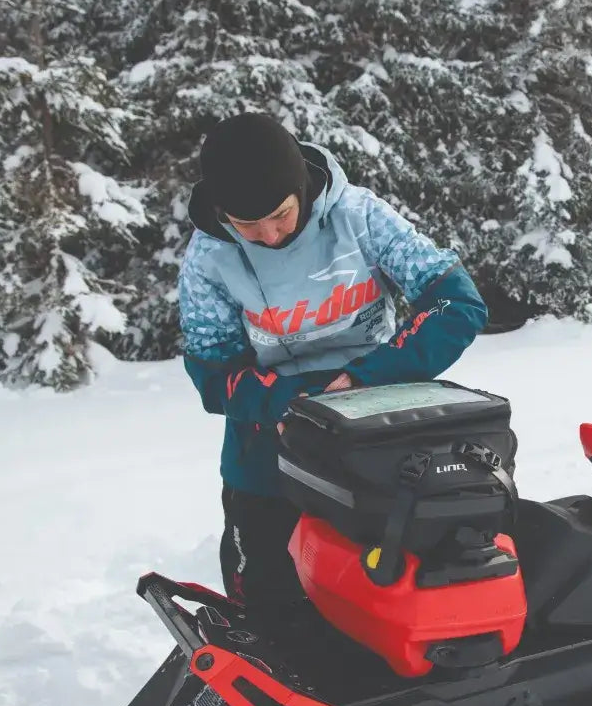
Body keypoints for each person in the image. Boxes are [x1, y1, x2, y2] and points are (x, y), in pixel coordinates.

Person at [177, 113, 487, 626]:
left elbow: (458, 305)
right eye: (247, 225)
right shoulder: (209, 258)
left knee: (391, 588)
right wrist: (293, 403)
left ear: (300, 187)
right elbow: (213, 373)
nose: (270, 236)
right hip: (268, 448)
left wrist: (368, 378)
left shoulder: (360, 217)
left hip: (377, 431)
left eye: (280, 215)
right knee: (268, 607)